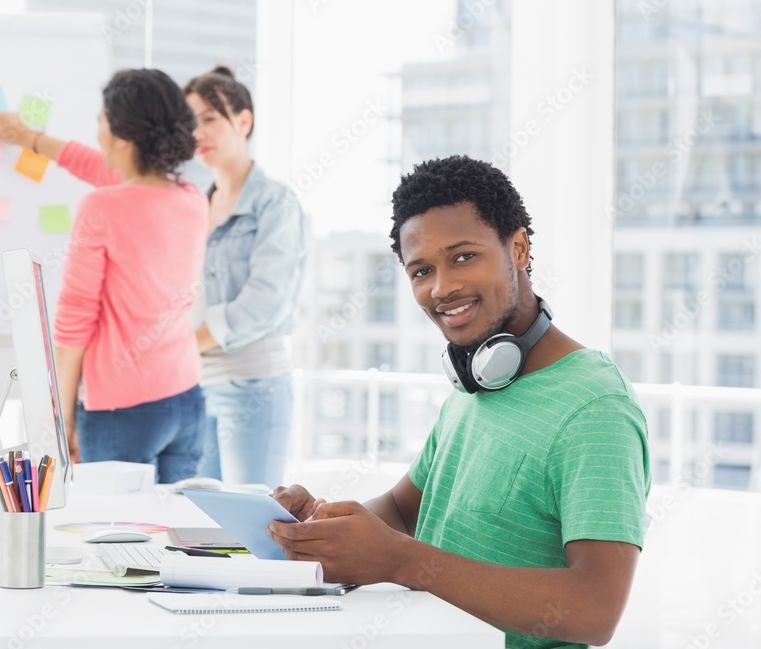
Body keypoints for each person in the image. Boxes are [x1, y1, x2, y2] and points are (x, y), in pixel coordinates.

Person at [269, 156, 650, 649]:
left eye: (464, 256)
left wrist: (401, 561)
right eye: (422, 270)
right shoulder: (476, 386)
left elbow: (595, 611)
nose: (442, 288)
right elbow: (402, 511)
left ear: (518, 248)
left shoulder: (594, 407)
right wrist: (320, 527)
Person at [0, 69, 208, 483]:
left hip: (121, 411)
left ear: (123, 139)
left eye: (101, 121)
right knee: (177, 524)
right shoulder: (191, 199)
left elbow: (73, 324)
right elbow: (109, 171)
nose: (97, 132)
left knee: (113, 525)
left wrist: (60, 417)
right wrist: (29, 138)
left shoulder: (101, 208)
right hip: (185, 399)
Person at [182, 66, 309, 489]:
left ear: (243, 120)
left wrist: (182, 346)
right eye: (191, 122)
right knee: (199, 516)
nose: (198, 132)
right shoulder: (195, 205)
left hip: (253, 384)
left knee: (249, 517)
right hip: (197, 384)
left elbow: (264, 304)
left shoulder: (275, 203)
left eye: (209, 119)